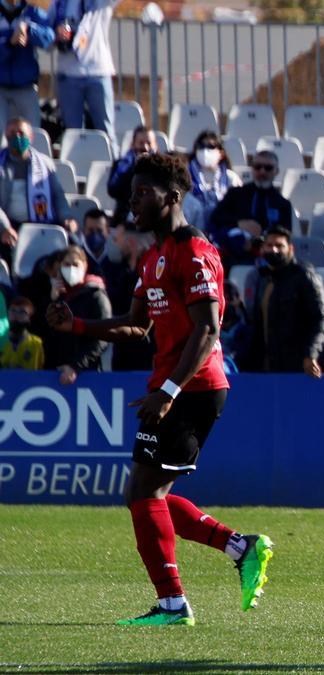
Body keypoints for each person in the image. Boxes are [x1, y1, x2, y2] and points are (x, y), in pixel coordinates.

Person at [46, 152, 273, 626]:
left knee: (143, 493)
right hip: (173, 386)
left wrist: (168, 390)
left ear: (172, 197)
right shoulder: (152, 257)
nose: (133, 203)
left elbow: (208, 330)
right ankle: (240, 548)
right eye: (131, 195)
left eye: (143, 194)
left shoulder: (194, 251)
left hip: (193, 386)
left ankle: (174, 603)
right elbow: (136, 326)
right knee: (148, 493)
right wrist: (79, 325)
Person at [242, 226, 324, 377]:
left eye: (279, 246)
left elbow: (320, 318)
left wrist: (311, 355)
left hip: (299, 367)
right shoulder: (261, 278)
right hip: (267, 366)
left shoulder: (304, 275)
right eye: (269, 245)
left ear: (290, 248)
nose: (274, 250)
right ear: (263, 248)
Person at [48, 0, 120, 146]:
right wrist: (56, 34)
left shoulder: (100, 3)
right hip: (68, 75)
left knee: (106, 131)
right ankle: (76, 167)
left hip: (98, 73)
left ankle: (113, 166)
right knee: (72, 135)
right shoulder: (58, 4)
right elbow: (46, 40)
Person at [208, 150, 296, 267]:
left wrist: (262, 241)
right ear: (252, 169)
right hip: (235, 255)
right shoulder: (236, 194)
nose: (262, 171)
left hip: (269, 256)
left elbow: (285, 234)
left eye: (268, 168)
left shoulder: (282, 204)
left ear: (276, 171)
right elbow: (216, 217)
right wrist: (239, 224)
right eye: (258, 167)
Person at [0, 117, 74, 250]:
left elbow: (58, 195)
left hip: (40, 222)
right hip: (8, 226)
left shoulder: (45, 164)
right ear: (6, 136)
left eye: (21, 133)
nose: (17, 137)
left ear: (31, 137)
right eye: (12, 133)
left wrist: (67, 218)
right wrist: (4, 227)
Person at [43, 244, 110, 383]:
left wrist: (75, 366)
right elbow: (47, 336)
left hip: (87, 374)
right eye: (67, 264)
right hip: (57, 374)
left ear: (84, 266)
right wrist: (52, 302)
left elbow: (103, 338)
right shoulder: (59, 297)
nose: (71, 268)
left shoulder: (96, 296)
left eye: (75, 264)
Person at [101, 219, 154, 370]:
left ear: (131, 242)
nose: (114, 244)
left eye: (117, 239)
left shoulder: (152, 272)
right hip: (122, 349)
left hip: (146, 353)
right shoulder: (116, 269)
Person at [0, 0, 54, 126]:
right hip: (1, 89)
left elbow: (48, 39)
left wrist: (29, 29)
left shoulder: (32, 11)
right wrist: (10, 43)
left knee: (32, 134)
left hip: (26, 87)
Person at [182, 131, 241, 236]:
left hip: (223, 232)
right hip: (193, 231)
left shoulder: (231, 178)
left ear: (221, 153)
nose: (205, 151)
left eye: (211, 146)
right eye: (201, 147)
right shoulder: (186, 177)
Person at [108, 125, 157, 226]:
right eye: (141, 143)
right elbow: (113, 189)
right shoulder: (121, 165)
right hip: (124, 221)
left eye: (149, 143)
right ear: (133, 144)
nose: (145, 147)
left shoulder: (160, 168)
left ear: (155, 145)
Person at [0, 295, 43, 369]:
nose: (16, 315)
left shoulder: (36, 343)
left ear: (29, 318)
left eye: (22, 312)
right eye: (13, 310)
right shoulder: (2, 341)